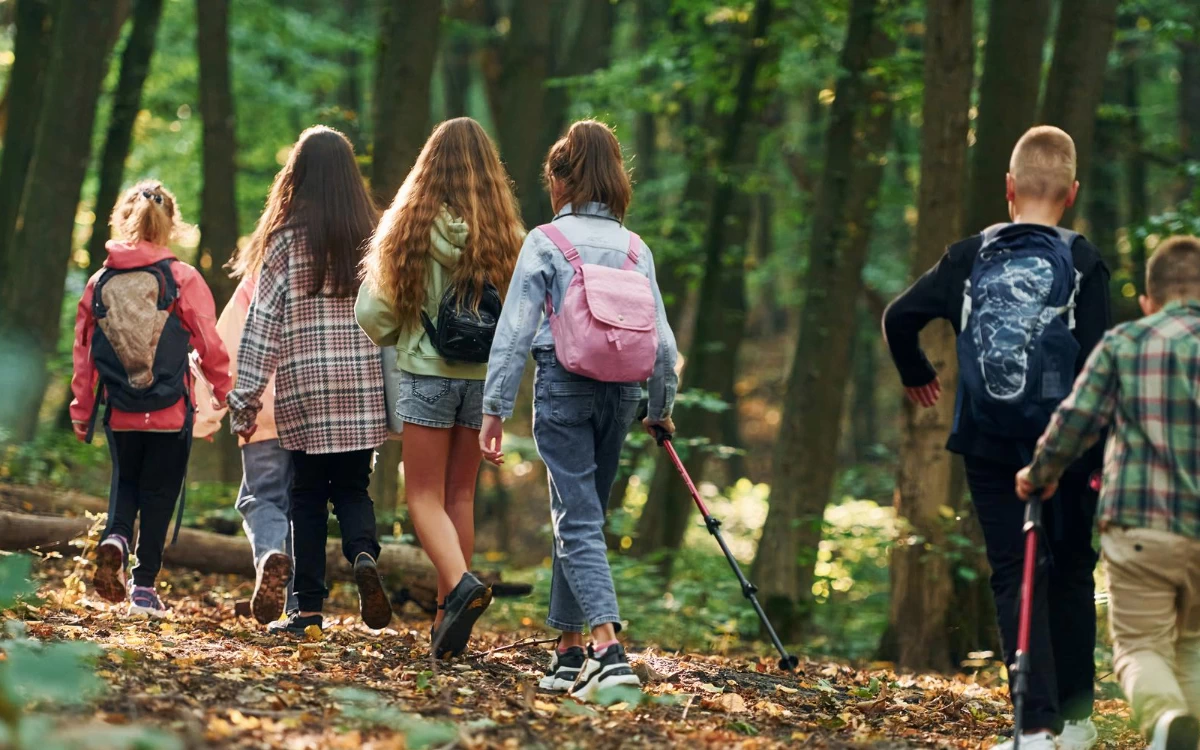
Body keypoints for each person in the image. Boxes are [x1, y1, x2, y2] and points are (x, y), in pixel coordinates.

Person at [882, 126, 1112, 750]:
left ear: (1008, 189)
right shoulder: (1085, 261)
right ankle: (1077, 720)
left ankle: (1032, 727)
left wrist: (918, 374)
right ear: (1071, 194)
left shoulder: (966, 257)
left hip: (986, 440)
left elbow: (899, 316)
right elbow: (1099, 363)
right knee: (1069, 570)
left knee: (1016, 572)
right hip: (1070, 444)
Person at [479, 120, 679, 700]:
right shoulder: (636, 248)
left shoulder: (546, 241)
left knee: (577, 517)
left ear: (559, 179)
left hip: (565, 387)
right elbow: (663, 345)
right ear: (617, 179)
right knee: (584, 513)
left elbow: (514, 332)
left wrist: (494, 408)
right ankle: (568, 654)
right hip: (621, 396)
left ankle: (607, 649)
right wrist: (659, 408)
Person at [1017, 235, 1200, 750]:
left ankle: (1165, 722)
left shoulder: (1125, 343)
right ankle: (1182, 732)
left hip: (1141, 525)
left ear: (1148, 300)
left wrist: (1038, 471)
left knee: (1141, 646)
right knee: (1191, 646)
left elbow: (1078, 420)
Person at [356, 117, 524, 658]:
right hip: (483, 382)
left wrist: (408, 324)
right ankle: (446, 621)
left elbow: (374, 316)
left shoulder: (408, 229)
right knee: (460, 495)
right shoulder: (507, 237)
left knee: (421, 495)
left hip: (428, 374)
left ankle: (462, 584)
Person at [227, 126, 392, 636]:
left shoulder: (283, 242)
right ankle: (364, 554)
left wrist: (246, 397)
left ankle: (308, 611)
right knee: (353, 490)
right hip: (361, 390)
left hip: (304, 392)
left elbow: (261, 327)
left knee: (305, 498)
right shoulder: (374, 236)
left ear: (296, 177)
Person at [70, 180, 232, 618]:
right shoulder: (181, 278)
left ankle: (115, 538)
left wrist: (82, 411)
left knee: (125, 482)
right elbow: (210, 344)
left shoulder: (99, 282)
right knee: (160, 493)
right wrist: (224, 391)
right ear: (171, 226)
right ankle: (143, 588)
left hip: (120, 409)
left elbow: (84, 354)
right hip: (170, 411)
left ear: (121, 219)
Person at [193, 271, 296, 626]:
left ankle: (269, 554)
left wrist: (207, 416)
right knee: (304, 506)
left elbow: (221, 351)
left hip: (261, 413)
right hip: (317, 414)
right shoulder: (336, 272)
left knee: (262, 499)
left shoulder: (256, 282)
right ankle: (298, 605)